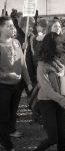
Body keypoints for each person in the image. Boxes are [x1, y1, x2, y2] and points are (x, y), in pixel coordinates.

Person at [34, 32, 65, 151]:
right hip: (47, 103)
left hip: (61, 103)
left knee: (63, 138)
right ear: (51, 46)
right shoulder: (42, 65)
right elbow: (48, 91)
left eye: (62, 43)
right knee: (53, 138)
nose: (62, 46)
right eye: (59, 44)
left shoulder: (60, 63)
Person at [0, 16, 32, 151]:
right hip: (3, 87)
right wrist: (7, 75)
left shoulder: (16, 43)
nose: (13, 28)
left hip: (17, 86)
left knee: (13, 113)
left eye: (12, 25)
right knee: (3, 116)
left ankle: (6, 135)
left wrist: (29, 82)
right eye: (9, 26)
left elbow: (23, 64)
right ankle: (7, 145)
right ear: (0, 28)